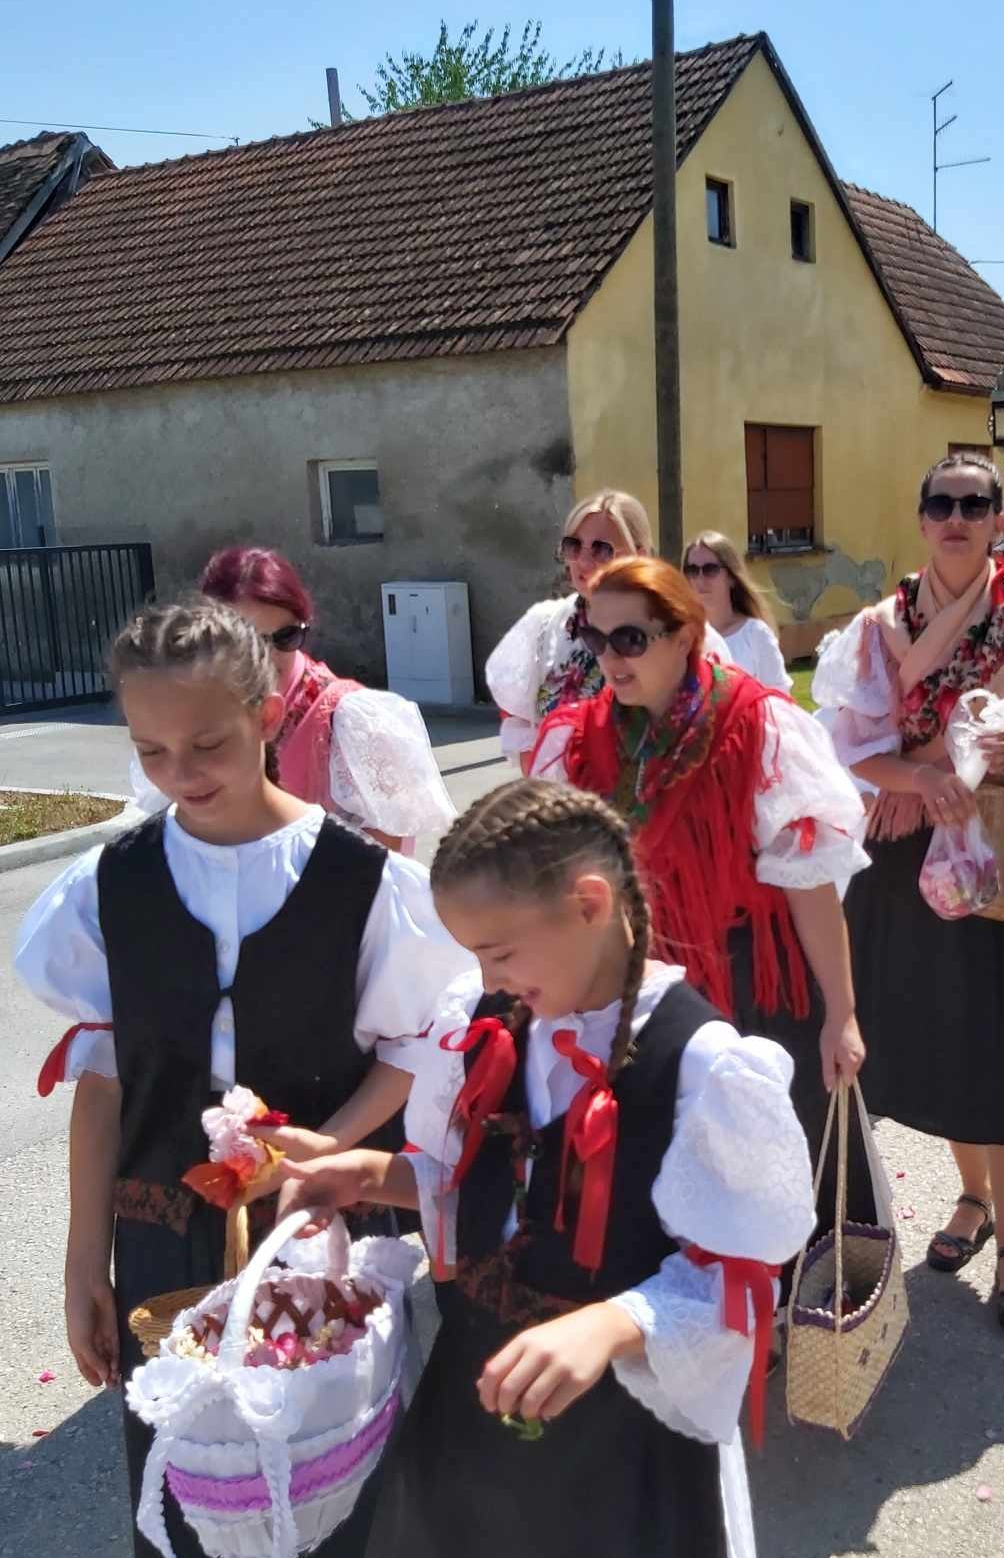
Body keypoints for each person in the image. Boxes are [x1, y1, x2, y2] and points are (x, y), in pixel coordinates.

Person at [281, 781, 815, 1558]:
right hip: (470, 1429)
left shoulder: (702, 1065)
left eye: (499, 951)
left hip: (623, 1455)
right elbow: (487, 1194)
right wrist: (378, 1176)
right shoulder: (492, 1022)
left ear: (589, 904)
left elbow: (739, 1279)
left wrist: (611, 1324)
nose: (485, 977)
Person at [13, 601, 465, 1558]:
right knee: (220, 1493)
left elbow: (412, 1052)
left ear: (267, 714)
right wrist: (83, 1265)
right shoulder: (113, 885)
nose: (180, 773)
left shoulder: (364, 881)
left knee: (359, 1483)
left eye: (206, 743)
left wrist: (322, 1150)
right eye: (150, 749)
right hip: (166, 1232)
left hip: (326, 1231)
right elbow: (104, 1081)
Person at [815, 453, 1004, 1336]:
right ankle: (973, 1195)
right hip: (910, 849)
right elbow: (853, 748)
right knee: (945, 1036)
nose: (956, 517)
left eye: (974, 504)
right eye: (941, 503)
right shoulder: (878, 628)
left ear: (998, 520)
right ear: (920, 518)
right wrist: (923, 776)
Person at [529, 557, 872, 1222]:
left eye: (630, 639)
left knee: (781, 1172)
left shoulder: (758, 726)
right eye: (595, 638)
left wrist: (842, 1013)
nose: (609, 658)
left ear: (684, 636)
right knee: (672, 1181)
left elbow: (809, 885)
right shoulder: (578, 740)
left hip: (757, 986)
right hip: (644, 991)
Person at [132, 546, 455, 855]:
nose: (269, 656)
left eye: (286, 637)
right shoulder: (189, 710)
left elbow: (384, 854)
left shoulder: (350, 720)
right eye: (248, 642)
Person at [486, 492, 732, 766]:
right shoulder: (544, 626)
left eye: (602, 549)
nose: (583, 560)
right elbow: (518, 720)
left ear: (639, 555)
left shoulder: (677, 629)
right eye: (573, 545)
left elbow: (714, 723)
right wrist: (544, 777)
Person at [681, 530, 792, 692]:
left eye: (710, 569)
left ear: (731, 577)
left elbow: (779, 698)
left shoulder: (755, 634)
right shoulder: (682, 636)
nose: (699, 579)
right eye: (692, 570)